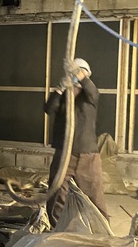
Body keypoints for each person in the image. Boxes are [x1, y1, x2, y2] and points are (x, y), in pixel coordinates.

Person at [44, 58, 109, 224]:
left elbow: (93, 91)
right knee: (57, 193)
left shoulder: (90, 97)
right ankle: (56, 227)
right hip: (64, 154)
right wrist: (59, 88)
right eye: (74, 72)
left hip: (87, 155)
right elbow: (49, 109)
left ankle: (102, 228)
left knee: (94, 194)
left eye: (80, 73)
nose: (77, 76)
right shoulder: (64, 96)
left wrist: (79, 74)